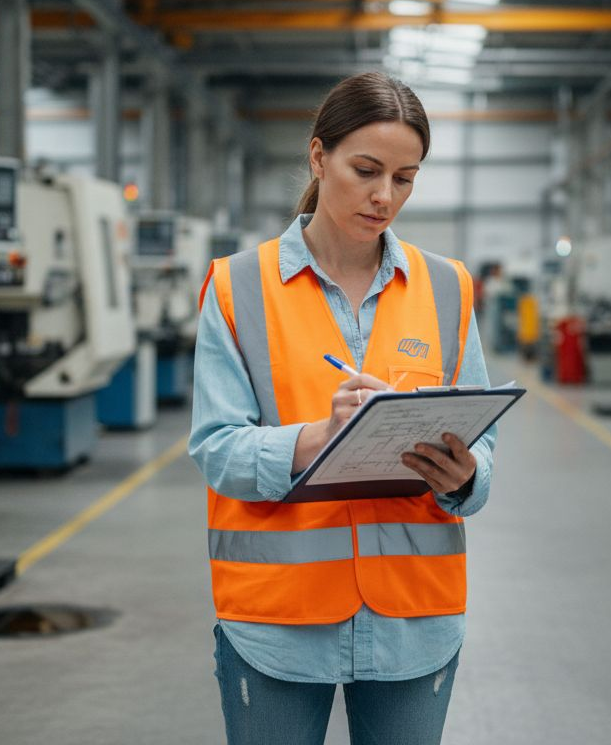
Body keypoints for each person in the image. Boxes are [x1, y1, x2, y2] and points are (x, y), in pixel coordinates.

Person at [189, 71, 497, 745]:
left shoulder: (447, 288)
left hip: (414, 615)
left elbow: (482, 444)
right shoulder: (239, 287)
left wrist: (466, 475)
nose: (385, 196)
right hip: (277, 620)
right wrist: (317, 437)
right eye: (366, 170)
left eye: (405, 178)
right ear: (318, 157)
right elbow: (216, 449)